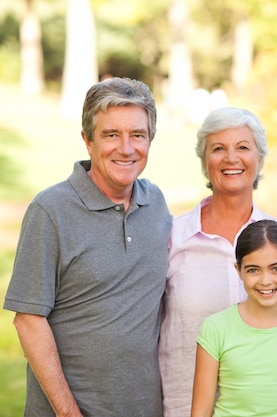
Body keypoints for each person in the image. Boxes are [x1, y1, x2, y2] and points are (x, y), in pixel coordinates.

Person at [3, 77, 171, 416]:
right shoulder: (51, 211)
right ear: (87, 140)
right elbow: (28, 321)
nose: (126, 148)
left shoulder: (156, 204)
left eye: (137, 135)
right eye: (111, 135)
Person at [159, 107, 277, 417]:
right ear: (204, 162)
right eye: (218, 149)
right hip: (183, 406)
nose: (231, 158)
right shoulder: (173, 237)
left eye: (242, 147)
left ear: (259, 158)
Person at [191, 220, 277, 417]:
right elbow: (200, 412)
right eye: (253, 270)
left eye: (276, 268)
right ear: (238, 271)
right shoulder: (215, 328)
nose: (265, 281)